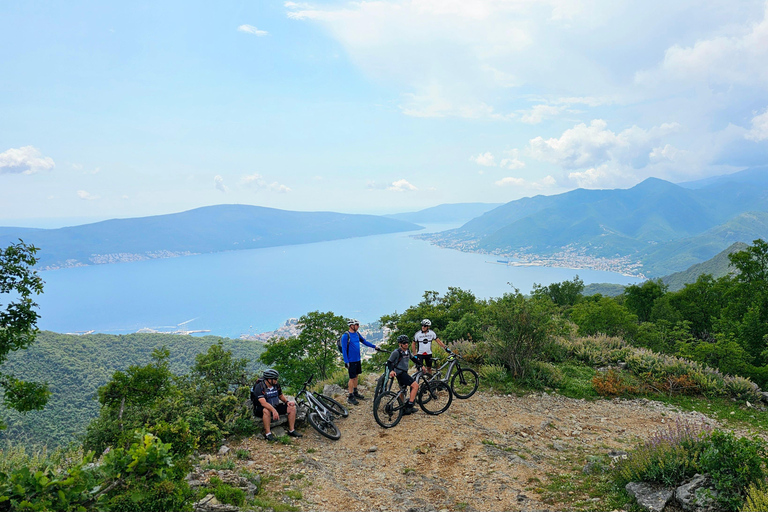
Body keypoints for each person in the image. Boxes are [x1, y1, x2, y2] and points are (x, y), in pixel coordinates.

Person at [251, 369, 303, 442]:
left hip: (275, 406)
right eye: (275, 379)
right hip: (261, 408)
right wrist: (273, 410)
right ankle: (268, 434)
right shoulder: (259, 387)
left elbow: (280, 395)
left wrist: (287, 402)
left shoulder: (276, 385)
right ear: (269, 379)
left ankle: (291, 430)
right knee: (266, 410)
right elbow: (263, 403)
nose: (277, 380)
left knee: (292, 408)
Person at [340, 318, 379, 405]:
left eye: (358, 325)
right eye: (357, 325)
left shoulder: (357, 334)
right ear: (351, 326)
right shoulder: (346, 336)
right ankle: (350, 396)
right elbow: (344, 349)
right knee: (352, 378)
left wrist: (374, 346)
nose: (358, 326)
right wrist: (346, 361)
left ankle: (355, 392)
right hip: (351, 360)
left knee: (356, 376)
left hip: (357, 359)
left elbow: (364, 341)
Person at [387, 335, 420, 415]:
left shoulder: (407, 351)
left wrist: (421, 365)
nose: (406, 344)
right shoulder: (396, 352)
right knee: (415, 386)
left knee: (403, 390)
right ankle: (410, 405)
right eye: (404, 343)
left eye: (407, 342)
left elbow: (412, 358)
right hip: (400, 373)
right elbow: (389, 362)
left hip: (403, 372)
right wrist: (391, 371)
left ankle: (402, 408)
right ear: (400, 344)